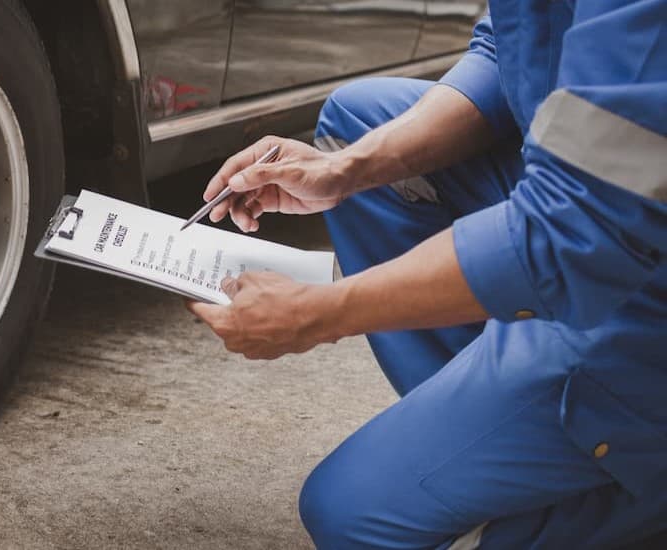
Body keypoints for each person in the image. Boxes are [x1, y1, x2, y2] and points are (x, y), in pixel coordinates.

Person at [186, 1, 666, 547]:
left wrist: (316, 313)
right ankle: (502, 437)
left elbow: (572, 232)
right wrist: (345, 169)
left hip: (637, 292)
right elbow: (507, 49)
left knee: (350, 514)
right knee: (359, 120)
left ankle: (627, 477)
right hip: (601, 219)